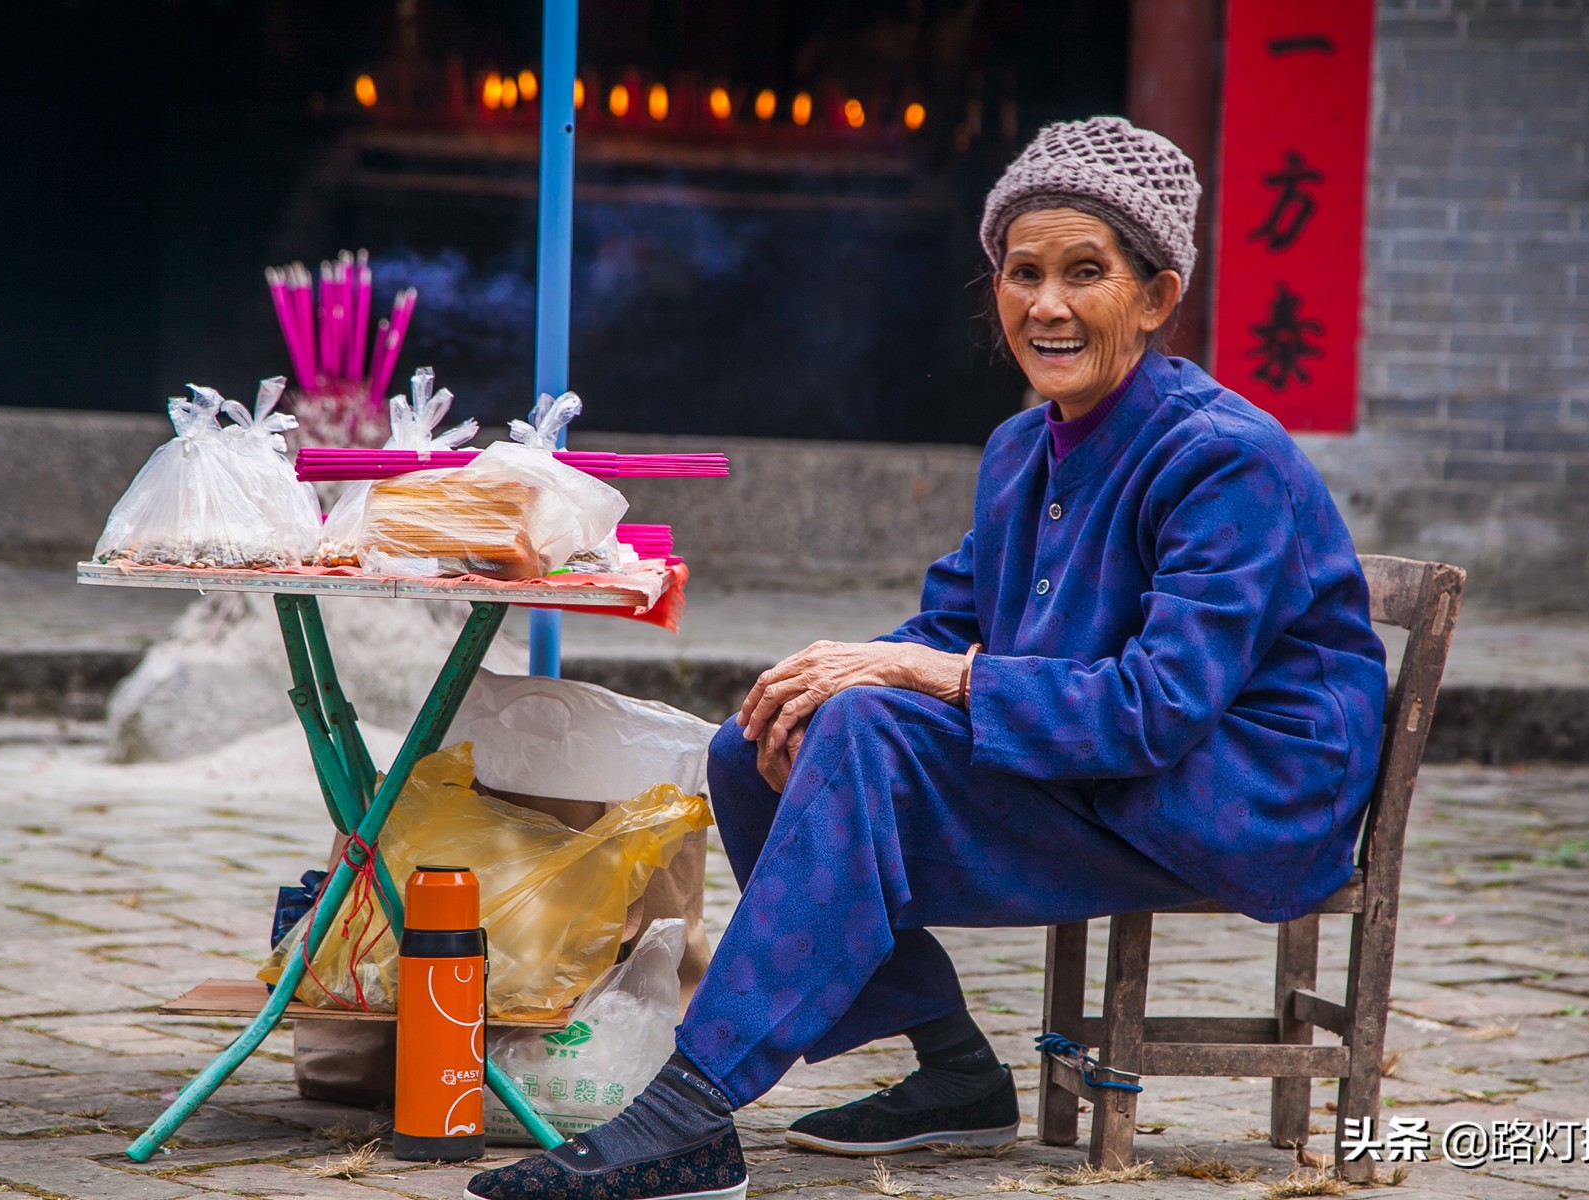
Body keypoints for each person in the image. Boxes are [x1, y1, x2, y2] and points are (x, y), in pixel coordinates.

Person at [466, 116, 1386, 1200]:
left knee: (868, 726)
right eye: (1023, 271)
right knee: (758, 742)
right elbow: (947, 627)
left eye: (1085, 273)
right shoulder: (1020, 448)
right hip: (1104, 765)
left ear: (1156, 295)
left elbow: (1157, 709)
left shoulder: (1219, 458)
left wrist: (918, 678)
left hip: (1238, 793)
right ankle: (956, 1073)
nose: (1046, 305)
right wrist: (841, 676)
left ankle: (689, 1112)